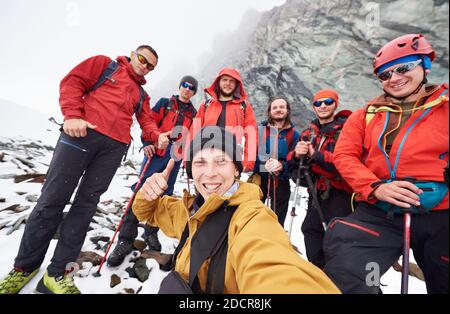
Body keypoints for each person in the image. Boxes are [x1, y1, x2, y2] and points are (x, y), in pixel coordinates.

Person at [0, 45, 159, 294]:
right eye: (142, 59)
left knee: (86, 206)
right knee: (51, 200)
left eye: (150, 66)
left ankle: (58, 273)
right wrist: (72, 114)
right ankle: (24, 267)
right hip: (80, 135)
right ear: (132, 54)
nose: (145, 66)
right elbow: (72, 82)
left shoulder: (141, 94)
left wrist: (156, 136)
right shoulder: (105, 65)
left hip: (113, 150)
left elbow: (147, 120)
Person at [132, 126, 340, 293]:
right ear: (191, 171)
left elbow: (271, 264)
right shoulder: (188, 210)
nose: (210, 173)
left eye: (221, 161)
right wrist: (146, 194)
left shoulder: (251, 215)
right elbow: (146, 212)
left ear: (236, 169)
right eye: (200, 162)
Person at [323, 34, 449, 294]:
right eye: (385, 75)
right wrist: (375, 186)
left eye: (404, 68)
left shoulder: (445, 107)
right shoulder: (365, 115)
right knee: (347, 269)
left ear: (424, 66)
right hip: (380, 209)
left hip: (442, 211)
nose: (394, 78)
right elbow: (344, 155)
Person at [107, 76, 198, 267]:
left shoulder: (194, 114)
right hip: (156, 154)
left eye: (191, 88)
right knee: (142, 191)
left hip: (175, 158)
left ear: (194, 92)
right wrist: (148, 142)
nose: (187, 89)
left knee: (163, 193)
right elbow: (149, 123)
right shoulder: (165, 103)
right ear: (179, 86)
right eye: (184, 85)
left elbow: (192, 138)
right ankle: (125, 238)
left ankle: (150, 232)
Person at [287, 89, 353, 269]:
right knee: (311, 232)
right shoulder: (309, 133)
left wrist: (315, 155)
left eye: (328, 102)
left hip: (341, 197)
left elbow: (346, 164)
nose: (322, 106)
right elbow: (295, 168)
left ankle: (346, 282)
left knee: (340, 243)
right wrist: (295, 156)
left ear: (336, 104)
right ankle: (321, 278)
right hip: (316, 195)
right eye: (318, 103)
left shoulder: (347, 130)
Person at [191, 67, 257, 172]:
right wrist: (188, 159)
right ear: (218, 82)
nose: (228, 83)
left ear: (236, 85)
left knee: (231, 189)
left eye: (232, 81)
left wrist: (248, 163)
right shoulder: (206, 105)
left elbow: (251, 134)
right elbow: (194, 133)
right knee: (205, 187)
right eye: (225, 80)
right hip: (205, 158)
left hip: (232, 161)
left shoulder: (244, 106)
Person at [251, 96, 300, 226]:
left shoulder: (294, 135)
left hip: (282, 182)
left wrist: (282, 166)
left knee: (278, 220)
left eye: (281, 107)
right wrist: (263, 164)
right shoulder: (261, 131)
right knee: (252, 217)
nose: (278, 110)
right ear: (270, 111)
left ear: (287, 110)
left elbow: (295, 162)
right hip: (260, 179)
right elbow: (252, 155)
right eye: (275, 107)